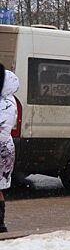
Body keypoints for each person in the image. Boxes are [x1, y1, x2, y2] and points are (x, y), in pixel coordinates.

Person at [0, 64, 19, 233]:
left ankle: (0, 224)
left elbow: (2, 131)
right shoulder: (7, 100)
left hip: (2, 149)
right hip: (5, 147)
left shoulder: (6, 103)